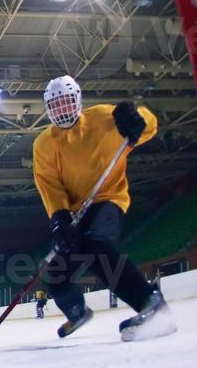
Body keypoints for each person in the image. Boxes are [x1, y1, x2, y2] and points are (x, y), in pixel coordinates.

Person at [33, 75, 176, 342]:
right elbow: (49, 185)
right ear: (48, 109)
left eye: (66, 103)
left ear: (77, 101)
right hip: (75, 213)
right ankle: (76, 311)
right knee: (52, 269)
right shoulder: (44, 144)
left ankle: (150, 302)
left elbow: (149, 124)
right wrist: (59, 219)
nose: (62, 110)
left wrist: (136, 118)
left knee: (96, 245)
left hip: (108, 199)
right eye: (56, 105)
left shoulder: (103, 118)